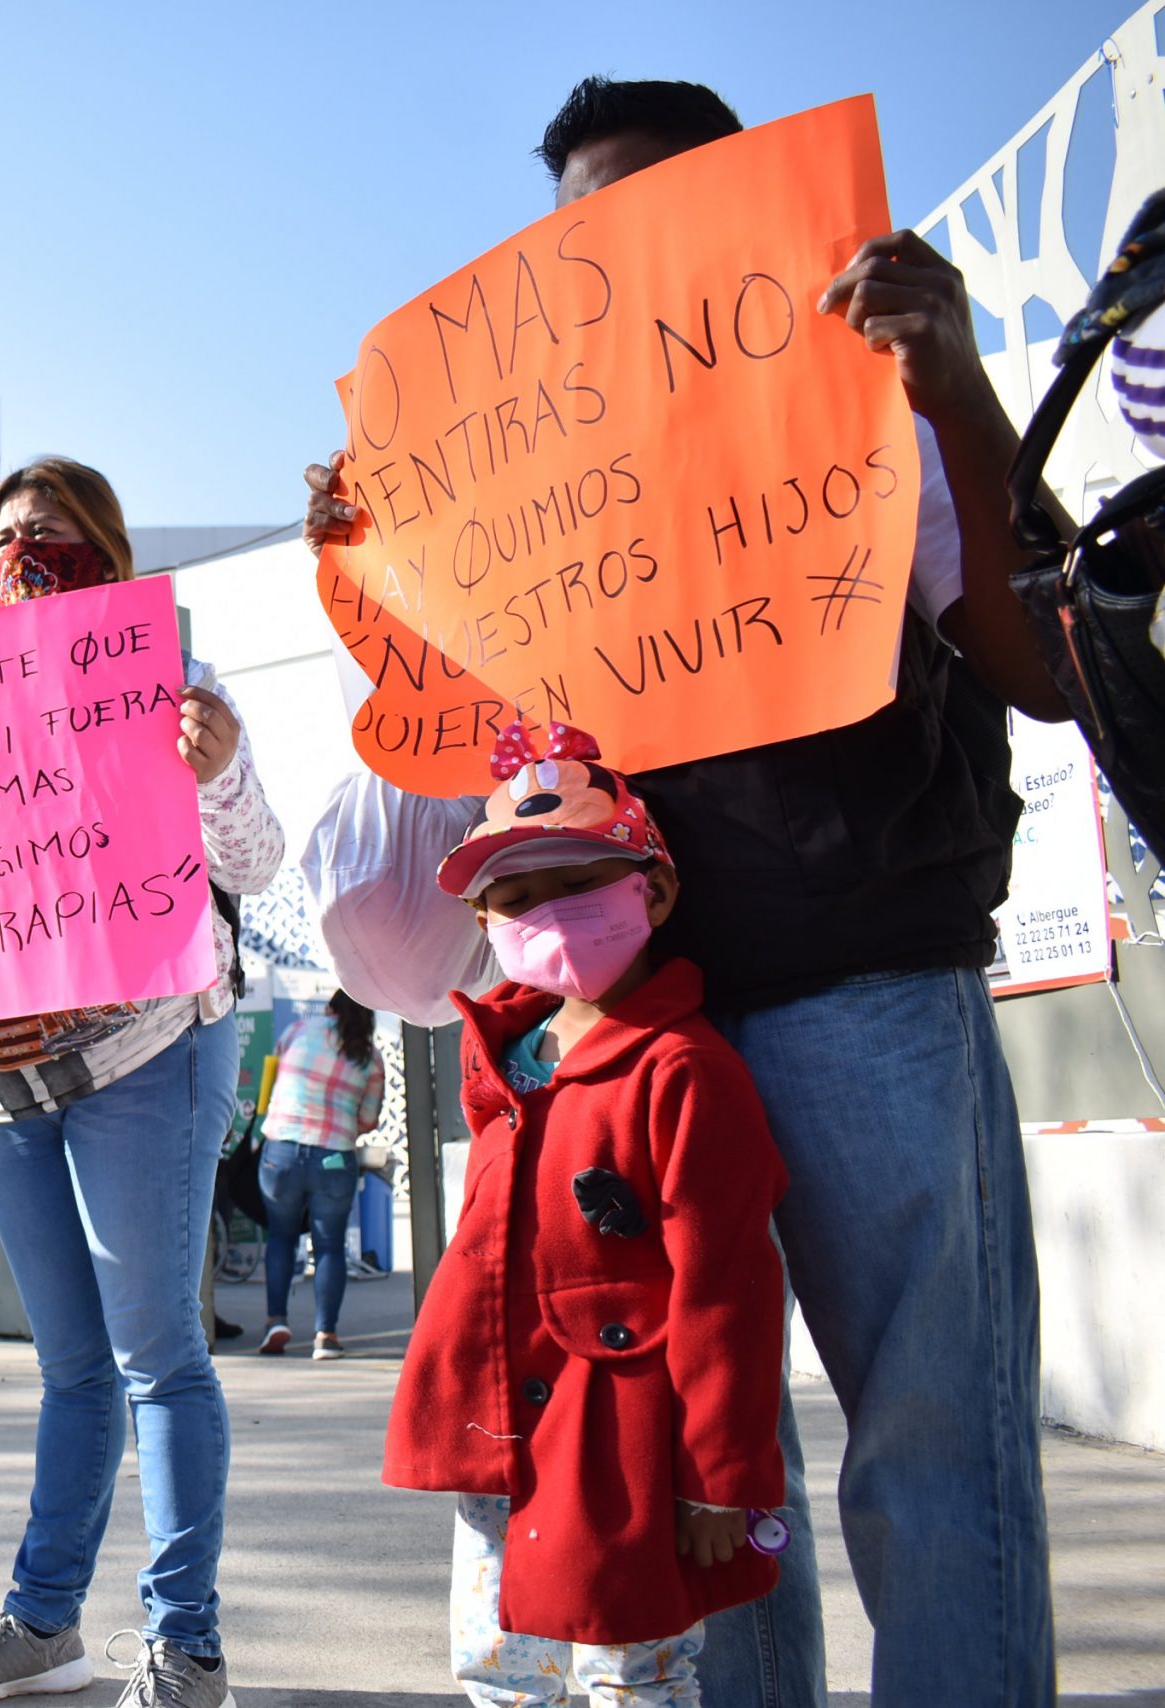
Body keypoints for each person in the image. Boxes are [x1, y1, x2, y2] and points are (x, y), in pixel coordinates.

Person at [304, 77, 1067, 1708]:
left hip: (869, 986)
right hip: (638, 1038)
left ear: (753, 210)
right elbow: (444, 779)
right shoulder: (529, 492)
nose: (616, 254)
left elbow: (1047, 660)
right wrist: (384, 575)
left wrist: (958, 395)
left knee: (936, 1458)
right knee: (697, 1476)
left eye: (656, 210)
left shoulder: (866, 399)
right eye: (582, 230)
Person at [0, 458, 285, 1708]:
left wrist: (217, 765)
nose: (25, 553)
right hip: (6, 1080)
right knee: (69, 1367)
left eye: (52, 534)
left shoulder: (173, 680)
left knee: (159, 1357)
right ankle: (43, 1622)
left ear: (108, 553)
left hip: (146, 1055)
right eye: (7, 535)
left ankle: (187, 1647)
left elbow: (258, 859)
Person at [389, 721, 789, 1706]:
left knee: (631, 1664)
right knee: (498, 1669)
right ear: (484, 924)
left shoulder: (683, 1070)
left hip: (622, 1444)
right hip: (498, 1437)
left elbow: (727, 1286)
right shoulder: (502, 1066)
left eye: (575, 883)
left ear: (649, 889)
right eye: (513, 900)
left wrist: (716, 1476)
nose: (546, 915)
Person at [255, 991, 384, 1358]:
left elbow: (273, 1076)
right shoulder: (371, 1059)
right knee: (329, 1246)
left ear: (330, 1009)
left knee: (281, 1237)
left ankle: (276, 1321)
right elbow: (368, 1120)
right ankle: (325, 1335)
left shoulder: (299, 1030)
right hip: (333, 1157)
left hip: (282, 1151)